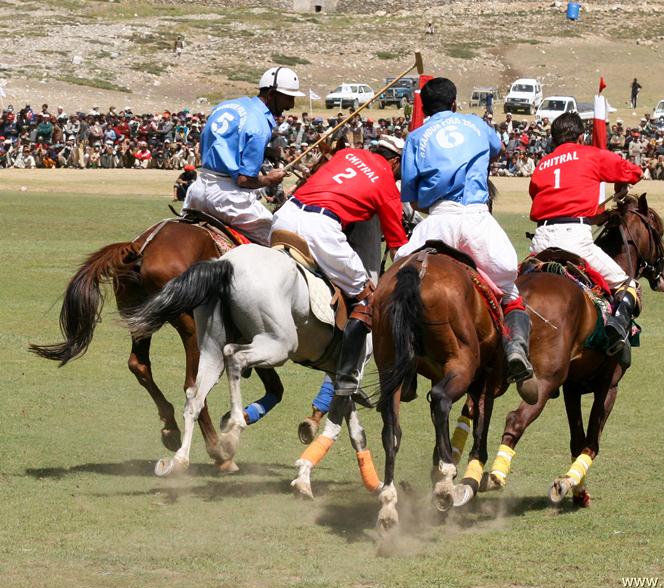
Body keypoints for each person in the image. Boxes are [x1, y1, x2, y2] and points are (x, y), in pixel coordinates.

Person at [396, 77, 533, 383]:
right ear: (455, 102)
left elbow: (413, 199)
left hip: (436, 222)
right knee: (508, 278)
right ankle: (515, 349)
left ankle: (402, 359)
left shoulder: (416, 138)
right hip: (475, 218)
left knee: (395, 281)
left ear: (424, 107)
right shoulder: (476, 124)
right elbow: (496, 150)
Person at [269, 135, 407, 398]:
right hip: (321, 230)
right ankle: (345, 377)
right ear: (396, 162)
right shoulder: (387, 182)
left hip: (285, 217)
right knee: (367, 300)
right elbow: (397, 247)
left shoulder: (346, 155)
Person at [528, 112, 643, 355]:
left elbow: (545, 201)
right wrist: (621, 183)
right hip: (575, 239)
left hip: (541, 241)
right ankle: (616, 330)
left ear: (553, 138)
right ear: (581, 137)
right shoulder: (589, 154)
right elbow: (634, 171)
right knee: (627, 284)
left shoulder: (542, 164)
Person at [182, 67, 304, 244]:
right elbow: (244, 180)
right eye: (288, 97)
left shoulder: (226, 105)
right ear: (271, 94)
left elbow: (227, 144)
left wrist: (266, 151)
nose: (291, 105)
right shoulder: (260, 126)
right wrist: (269, 180)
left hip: (198, 191)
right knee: (282, 242)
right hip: (227, 197)